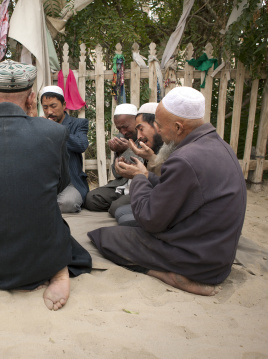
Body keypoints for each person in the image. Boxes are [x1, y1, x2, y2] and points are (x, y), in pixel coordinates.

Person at [0, 60, 92, 311]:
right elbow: (61, 184)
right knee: (53, 218)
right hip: (42, 261)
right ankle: (59, 273)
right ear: (31, 98)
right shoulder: (54, 132)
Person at [88, 87, 247, 296]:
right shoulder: (220, 146)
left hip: (196, 262)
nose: (159, 131)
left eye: (159, 126)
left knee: (105, 237)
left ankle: (169, 275)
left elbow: (150, 219)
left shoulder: (184, 158)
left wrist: (137, 178)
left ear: (179, 127)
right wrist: (145, 175)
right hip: (217, 257)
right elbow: (178, 189)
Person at [84, 103, 140, 214]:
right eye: (119, 128)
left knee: (116, 207)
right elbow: (117, 174)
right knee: (91, 199)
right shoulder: (120, 138)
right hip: (122, 185)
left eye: (125, 126)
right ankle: (124, 205)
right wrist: (119, 152)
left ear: (137, 121)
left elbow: (143, 165)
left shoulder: (146, 136)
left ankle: (122, 205)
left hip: (139, 186)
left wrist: (128, 149)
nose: (123, 132)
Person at [40, 85, 89, 213]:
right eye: (45, 107)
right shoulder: (39, 126)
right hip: (45, 181)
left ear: (64, 105)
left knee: (68, 203)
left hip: (71, 182)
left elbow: (81, 145)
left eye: (53, 106)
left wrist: (55, 130)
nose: (49, 111)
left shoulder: (79, 124)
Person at [114, 102, 164, 226]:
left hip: (163, 201)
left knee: (120, 215)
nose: (140, 136)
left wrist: (140, 174)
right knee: (118, 211)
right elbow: (118, 175)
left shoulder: (174, 146)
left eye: (141, 129)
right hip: (146, 191)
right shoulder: (144, 140)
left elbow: (166, 181)